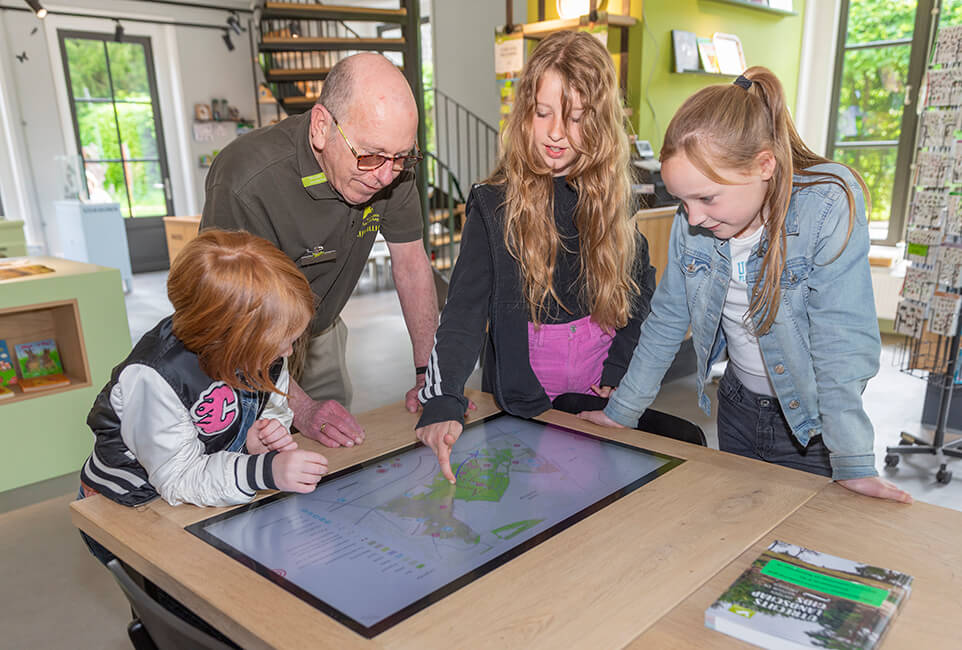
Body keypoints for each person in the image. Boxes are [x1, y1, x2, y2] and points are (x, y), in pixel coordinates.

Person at [580, 67, 913, 504]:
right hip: (736, 405)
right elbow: (665, 323)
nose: (693, 217)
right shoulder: (693, 223)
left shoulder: (827, 204)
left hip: (812, 425)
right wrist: (621, 412)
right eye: (683, 201)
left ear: (764, 165)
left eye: (707, 198)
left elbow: (841, 343)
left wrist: (852, 459)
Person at [414, 31, 661, 483]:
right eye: (542, 113)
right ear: (524, 112)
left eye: (575, 118)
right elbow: (464, 312)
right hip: (526, 396)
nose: (554, 134)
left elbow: (640, 287)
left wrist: (620, 365)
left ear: (601, 123)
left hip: (597, 393)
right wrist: (444, 397)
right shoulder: (493, 205)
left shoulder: (610, 198)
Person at [201, 52, 438, 449]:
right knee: (252, 460)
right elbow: (229, 320)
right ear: (321, 127)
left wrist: (428, 373)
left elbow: (412, 266)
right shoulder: (245, 178)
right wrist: (302, 408)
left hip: (321, 330)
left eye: (401, 157)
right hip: (245, 338)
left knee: (332, 456)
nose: (385, 176)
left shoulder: (391, 168)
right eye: (371, 155)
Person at [79, 229, 329, 513]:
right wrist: (263, 471)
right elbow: (179, 476)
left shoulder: (262, 347)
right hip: (130, 501)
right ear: (226, 338)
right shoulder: (155, 376)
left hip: (208, 485)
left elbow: (273, 406)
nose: (288, 354)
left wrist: (261, 436)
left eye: (292, 340)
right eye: (280, 344)